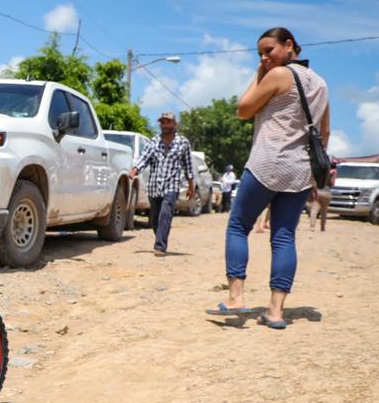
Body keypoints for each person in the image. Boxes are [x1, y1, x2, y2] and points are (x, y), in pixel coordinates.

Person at [208, 27, 330, 329]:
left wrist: (259, 73)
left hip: (267, 163)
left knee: (238, 226)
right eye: (260, 54)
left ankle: (236, 297)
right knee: (284, 236)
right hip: (300, 171)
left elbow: (243, 109)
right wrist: (314, 178)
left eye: (268, 51)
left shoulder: (279, 74)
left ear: (289, 45)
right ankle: (276, 312)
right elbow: (324, 133)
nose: (264, 58)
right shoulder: (321, 84)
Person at [128, 112, 194, 256]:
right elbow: (144, 158)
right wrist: (135, 169)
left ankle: (160, 246)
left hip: (172, 184)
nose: (165, 125)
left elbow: (188, 166)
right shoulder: (153, 142)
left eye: (168, 122)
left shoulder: (183, 143)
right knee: (154, 218)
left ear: (175, 124)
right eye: (162, 122)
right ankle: (160, 237)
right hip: (154, 186)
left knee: (166, 214)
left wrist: (191, 186)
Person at [307, 167, 335, 231]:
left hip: (317, 191)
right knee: (324, 211)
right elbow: (332, 183)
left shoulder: (316, 172)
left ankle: (312, 226)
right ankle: (322, 228)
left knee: (314, 209)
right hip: (327, 192)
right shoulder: (331, 173)